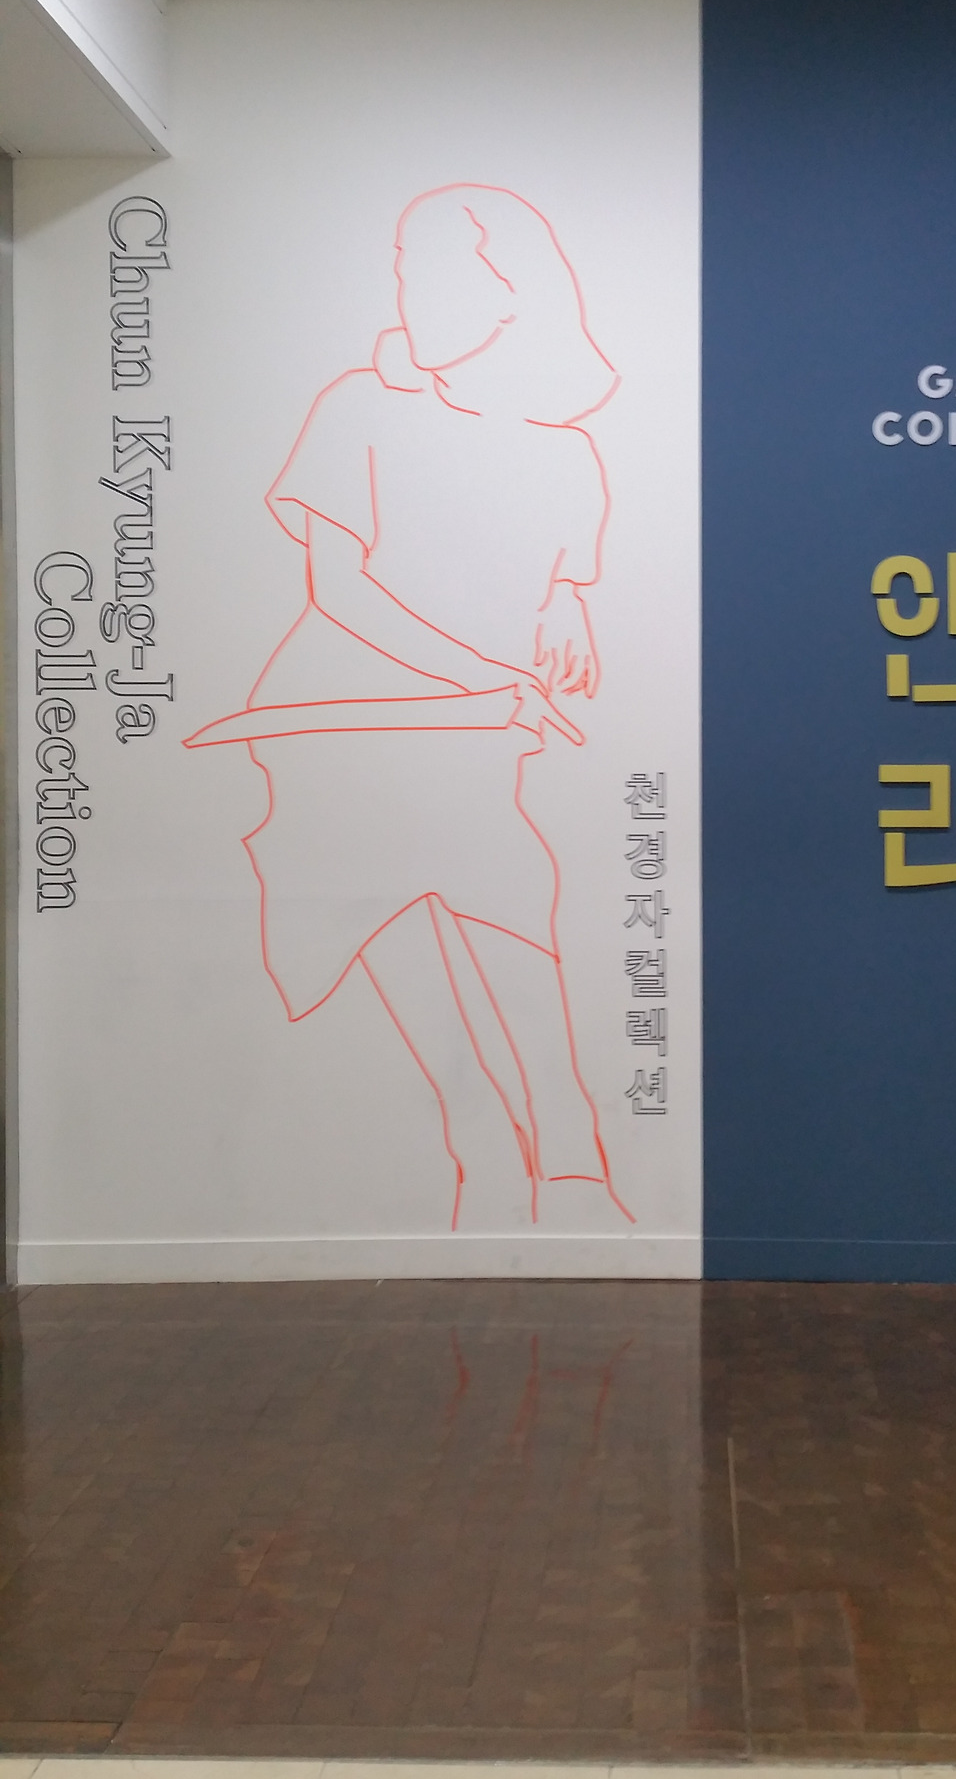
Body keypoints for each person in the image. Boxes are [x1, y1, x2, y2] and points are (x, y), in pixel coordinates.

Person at [187, 184, 632, 1231]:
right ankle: (501, 1163)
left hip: (479, 739)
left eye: (429, 273)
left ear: (508, 292)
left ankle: (567, 1168)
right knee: (413, 922)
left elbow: (559, 584)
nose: (406, 293)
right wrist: (476, 680)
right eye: (402, 272)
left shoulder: (567, 450)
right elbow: (338, 592)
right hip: (337, 727)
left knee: (510, 905)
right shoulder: (359, 406)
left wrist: (564, 614)